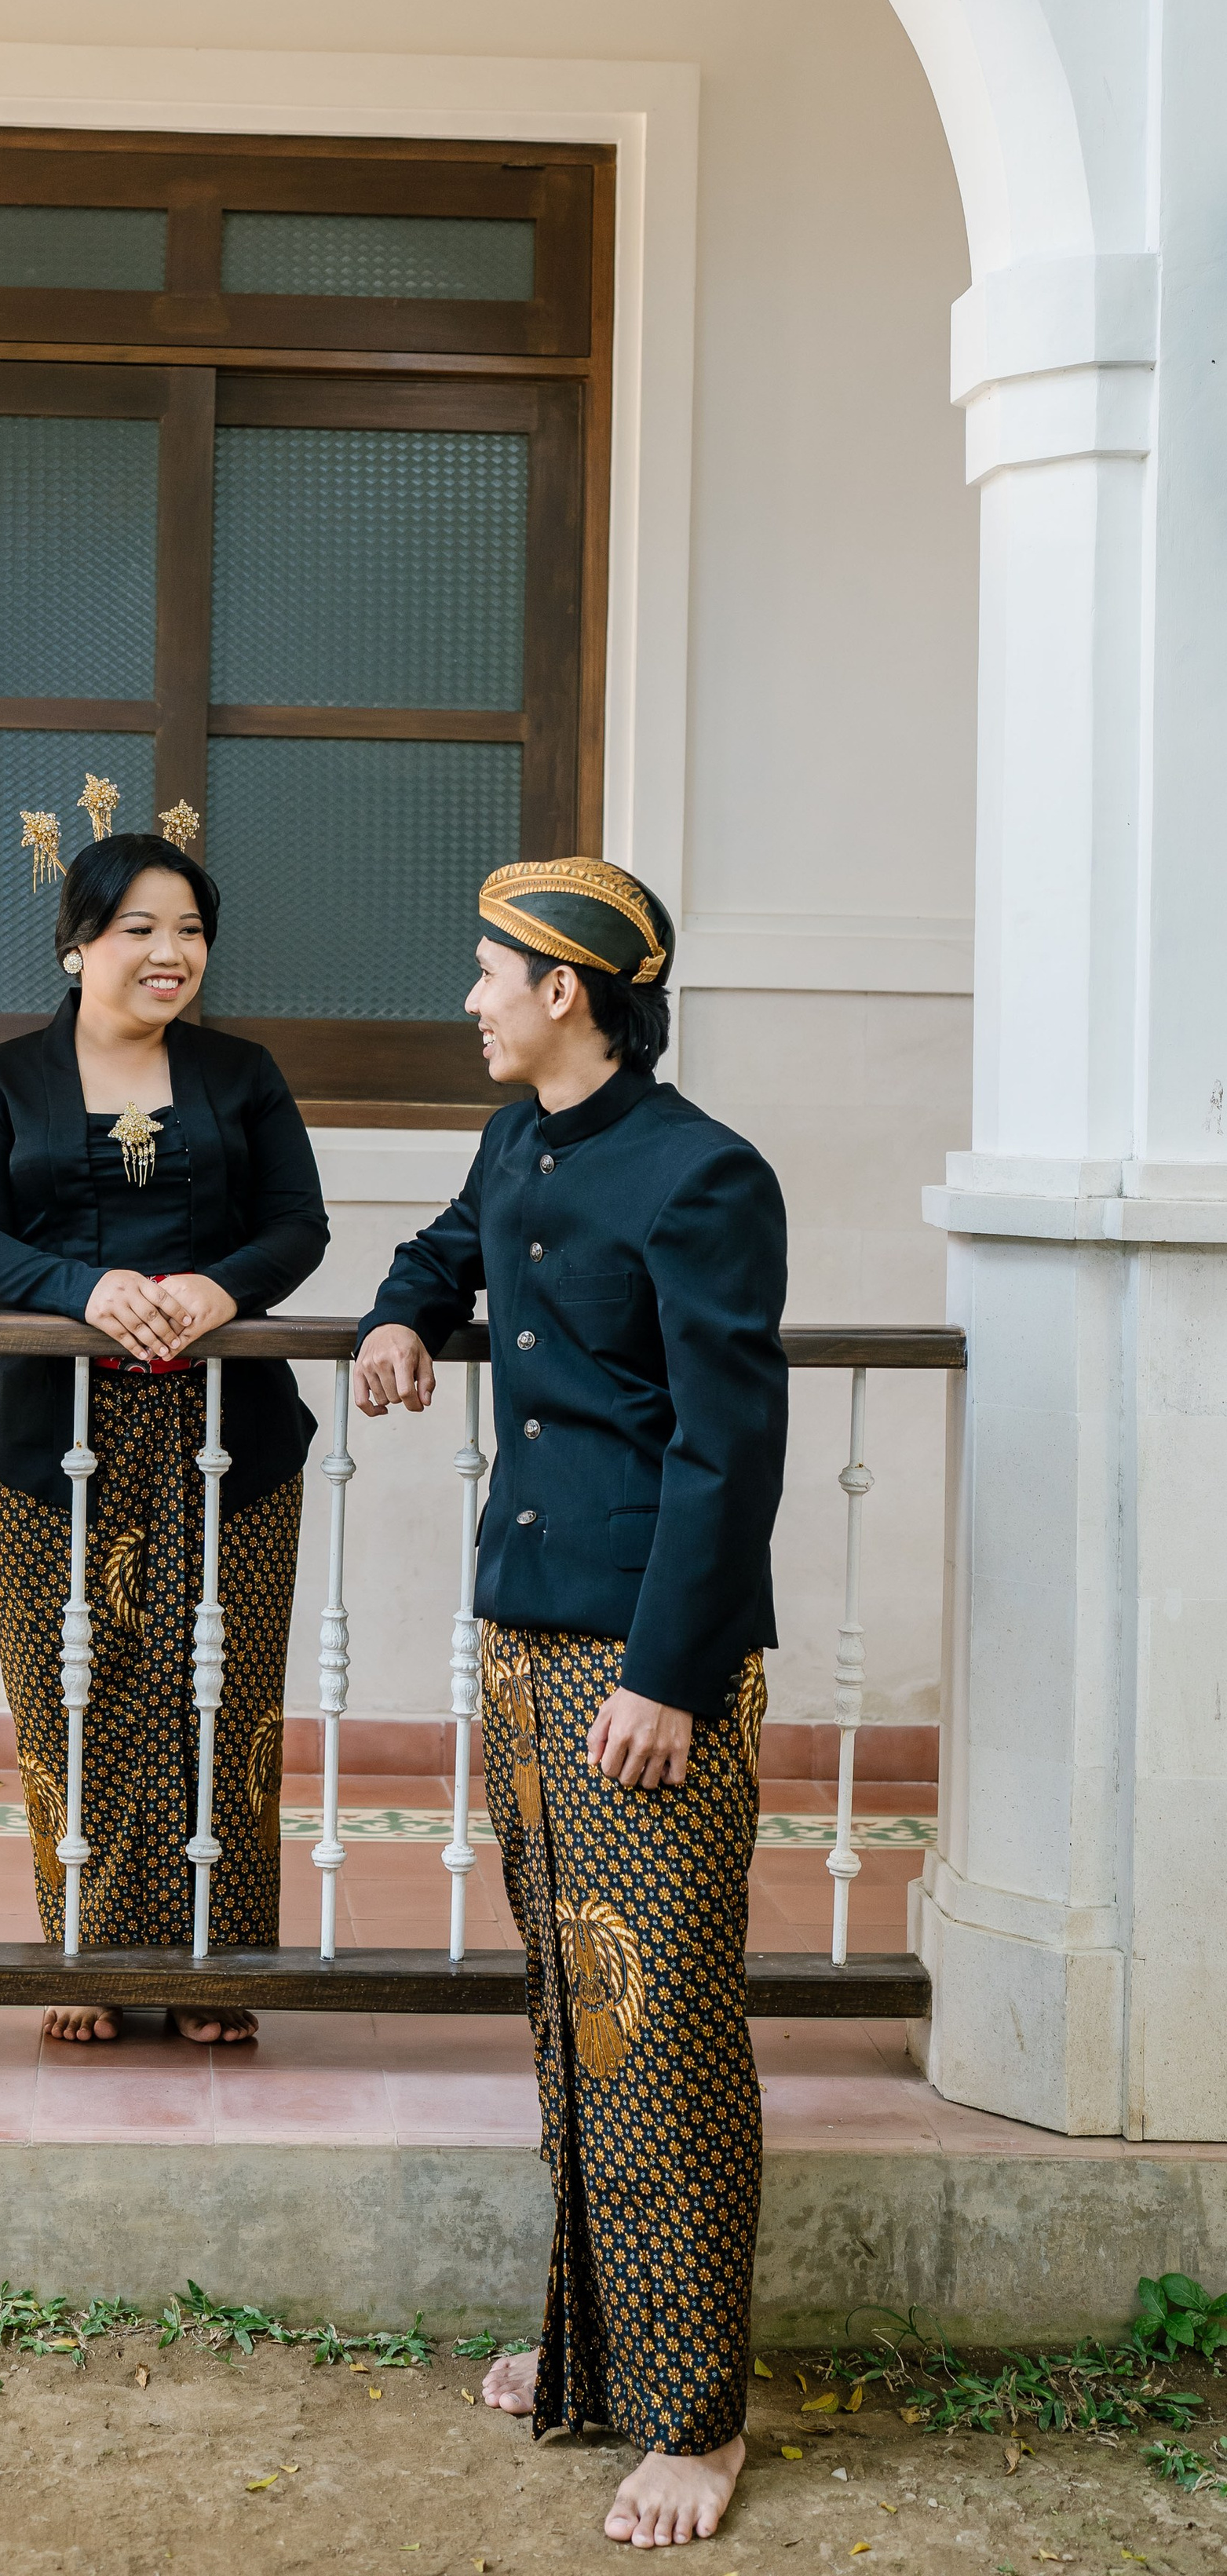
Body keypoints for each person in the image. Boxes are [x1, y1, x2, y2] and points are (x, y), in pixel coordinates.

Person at [353, 858, 787, 2551]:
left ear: (566, 994)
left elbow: (724, 1443)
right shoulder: (518, 1140)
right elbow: (451, 1247)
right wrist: (402, 1317)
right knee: (569, 2014)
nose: (466, 998)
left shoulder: (701, 1176)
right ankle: (593, 2346)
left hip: (635, 1662)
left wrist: (671, 1675)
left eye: (487, 973)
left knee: (658, 2029)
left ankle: (693, 2418)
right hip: (517, 1636)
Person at [0, 780, 329, 2048]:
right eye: (141, 930)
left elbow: (297, 1226)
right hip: (53, 1441)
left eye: (192, 931)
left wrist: (215, 1288)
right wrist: (86, 1288)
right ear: (78, 945)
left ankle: (220, 1974)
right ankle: (87, 1954)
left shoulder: (244, 1073)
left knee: (223, 1696)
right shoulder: (4, 1079)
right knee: (72, 1698)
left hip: (231, 1434)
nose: (172, 954)